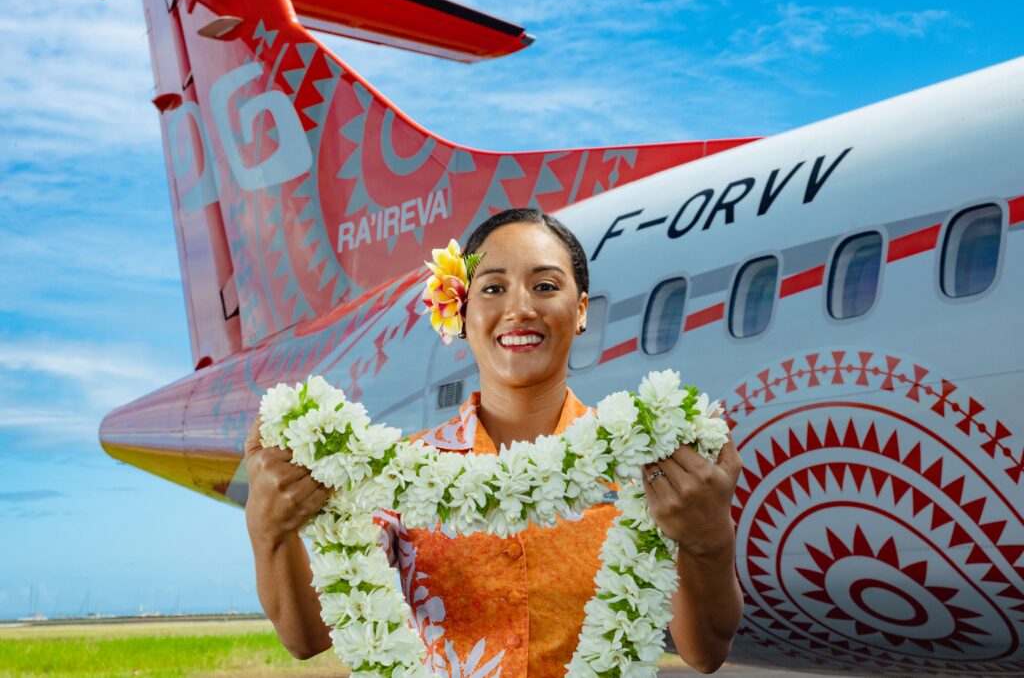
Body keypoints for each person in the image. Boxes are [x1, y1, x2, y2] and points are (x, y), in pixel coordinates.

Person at [243, 207, 744, 675]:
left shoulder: (648, 465)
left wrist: (709, 540)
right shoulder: (397, 474)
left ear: (582, 310)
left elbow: (705, 652)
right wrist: (269, 532)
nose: (520, 308)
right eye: (492, 288)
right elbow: (308, 639)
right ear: (458, 312)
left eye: (546, 285)